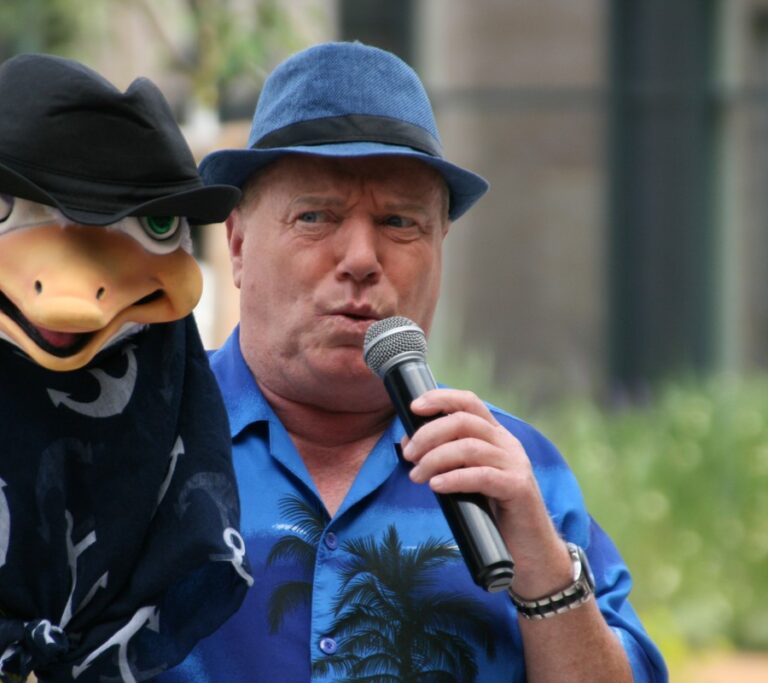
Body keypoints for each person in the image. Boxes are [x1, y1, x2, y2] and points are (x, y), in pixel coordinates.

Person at [158, 42, 668, 682]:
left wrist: (542, 569)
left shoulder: (517, 475)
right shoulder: (142, 437)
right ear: (236, 244)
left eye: (399, 223)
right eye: (315, 216)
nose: (362, 258)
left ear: (441, 246)